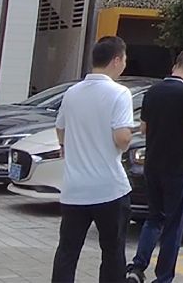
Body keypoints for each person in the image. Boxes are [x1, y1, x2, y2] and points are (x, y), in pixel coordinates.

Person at [52, 36, 135, 283]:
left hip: (74, 188)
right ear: (116, 60)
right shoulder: (120, 93)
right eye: (125, 59)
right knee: (112, 251)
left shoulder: (72, 92)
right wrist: (127, 139)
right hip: (109, 188)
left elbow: (60, 127)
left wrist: (66, 146)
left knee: (67, 251)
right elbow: (122, 137)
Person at [126, 50, 183, 283]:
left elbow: (144, 128)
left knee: (153, 218)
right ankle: (163, 277)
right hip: (176, 167)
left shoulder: (153, 91)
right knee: (173, 225)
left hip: (152, 165)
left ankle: (137, 267)